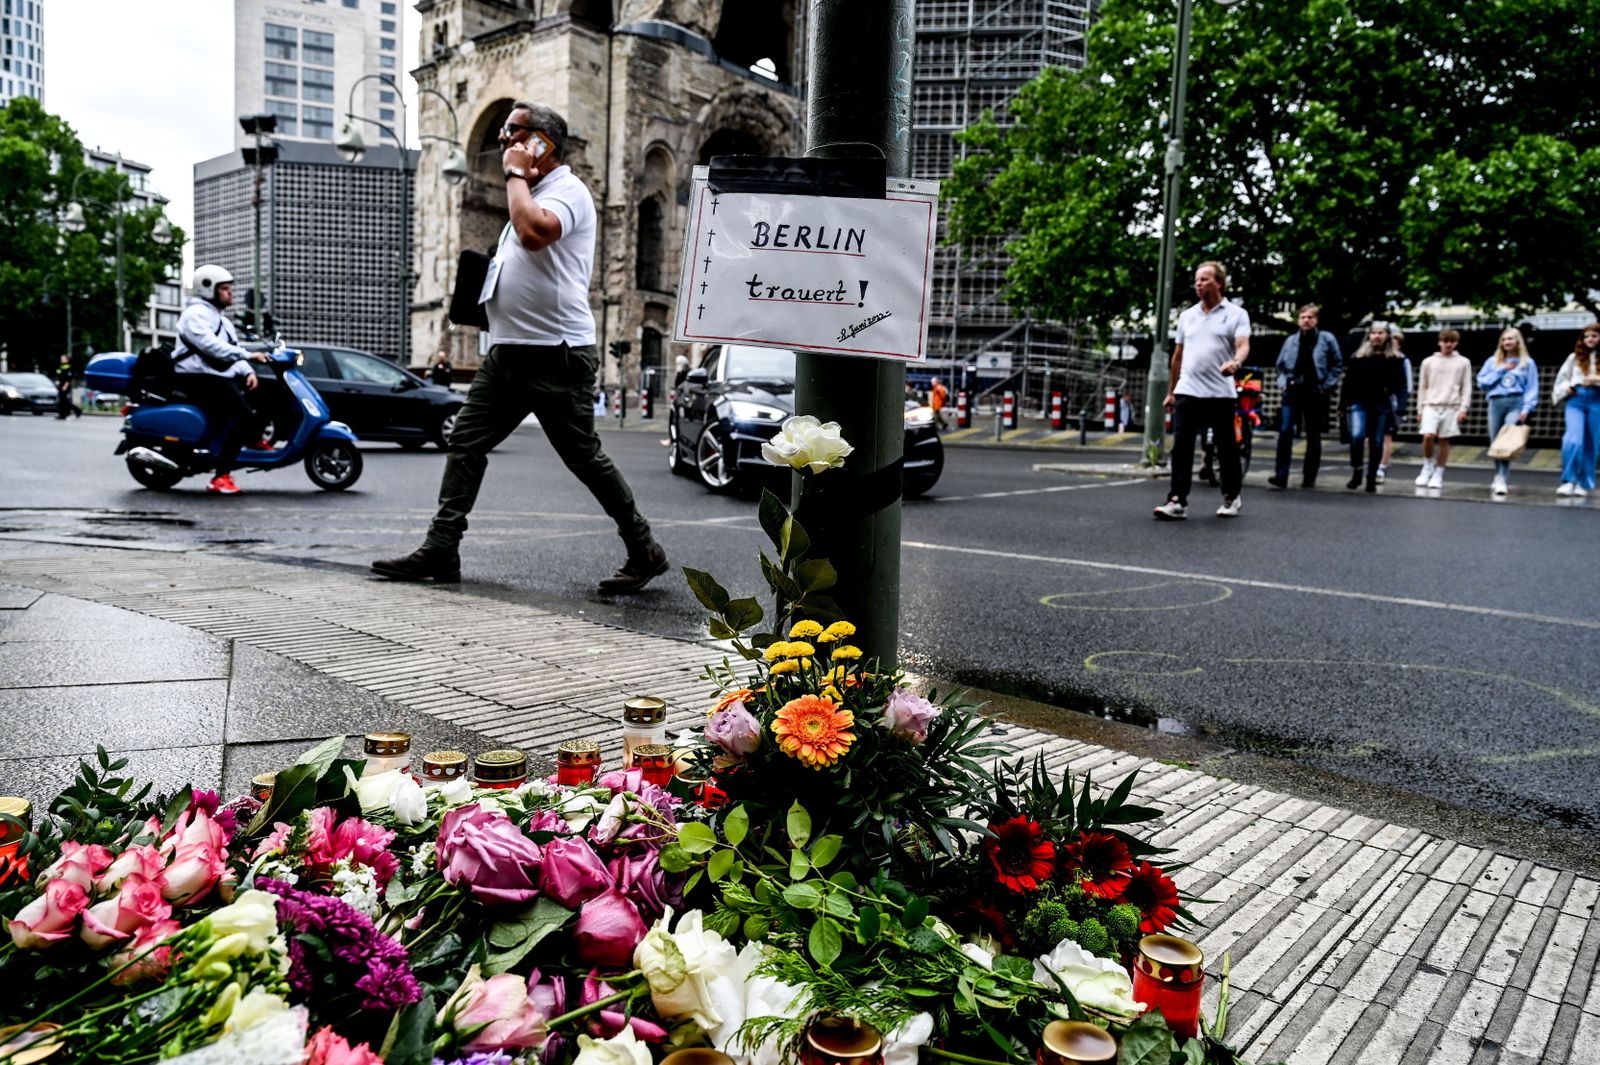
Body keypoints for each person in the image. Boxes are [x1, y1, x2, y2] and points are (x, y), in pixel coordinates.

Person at [372, 103, 666, 592]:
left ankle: (644, 549)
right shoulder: (527, 193)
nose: (504, 139)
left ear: (541, 143)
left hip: (557, 353)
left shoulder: (567, 191)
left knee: (584, 458)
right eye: (505, 133)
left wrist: (514, 176)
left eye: (514, 132)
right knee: (465, 441)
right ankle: (441, 550)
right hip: (508, 352)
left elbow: (535, 235)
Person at [1153, 261, 1251, 520]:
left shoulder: (1236, 314)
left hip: (1220, 392)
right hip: (1189, 389)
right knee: (1182, 446)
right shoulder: (1188, 316)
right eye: (1197, 280)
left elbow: (1242, 345)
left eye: (1205, 279)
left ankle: (1231, 496)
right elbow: (1178, 356)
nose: (1199, 284)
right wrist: (1172, 391)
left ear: (1219, 283)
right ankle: (1177, 500)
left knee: (1226, 447)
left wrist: (1236, 362)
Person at [172, 265, 271, 495]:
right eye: (225, 289)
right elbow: (211, 346)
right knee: (243, 417)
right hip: (195, 378)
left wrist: (248, 371)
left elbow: (231, 349)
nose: (230, 294)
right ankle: (221, 476)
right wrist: (248, 356)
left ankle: (254, 439)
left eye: (230, 289)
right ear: (208, 290)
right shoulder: (195, 314)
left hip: (215, 376)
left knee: (269, 393)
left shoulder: (222, 320)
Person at [1268, 303, 1342, 489]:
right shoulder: (1291, 340)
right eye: (1303, 317)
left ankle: (1309, 477)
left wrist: (1327, 385)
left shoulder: (1327, 339)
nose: (1306, 320)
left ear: (1316, 320)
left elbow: (1337, 364)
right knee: (1285, 431)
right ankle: (1281, 475)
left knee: (1313, 435)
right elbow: (1280, 367)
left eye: (1310, 317)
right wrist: (1283, 383)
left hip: (1315, 391)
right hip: (1293, 390)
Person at [1338, 322, 1408, 492]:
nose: (1377, 336)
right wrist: (1342, 404)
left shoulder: (1395, 359)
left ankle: (1371, 476)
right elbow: (1348, 382)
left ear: (1387, 336)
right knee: (1357, 436)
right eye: (1374, 333)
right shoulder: (1358, 357)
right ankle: (1357, 470)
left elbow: (1401, 385)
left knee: (1377, 442)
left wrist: (1402, 405)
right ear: (1369, 336)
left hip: (1381, 404)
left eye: (1381, 333)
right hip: (1359, 402)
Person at [1476, 327, 1539, 497]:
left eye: (1510, 339)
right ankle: (1498, 474)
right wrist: (1501, 369)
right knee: (1496, 441)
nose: (1507, 342)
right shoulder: (1492, 361)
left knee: (1507, 441)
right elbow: (1482, 382)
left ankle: (1502, 477)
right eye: (1504, 339)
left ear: (1518, 341)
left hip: (1516, 402)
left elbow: (1532, 387)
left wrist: (1527, 408)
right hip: (1496, 402)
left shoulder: (1527, 363)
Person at [1412, 329, 1473, 490]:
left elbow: (1466, 387)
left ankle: (1439, 473)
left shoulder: (1463, 362)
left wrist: (1463, 408)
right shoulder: (1429, 362)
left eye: (1452, 341)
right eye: (1445, 341)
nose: (1448, 344)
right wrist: (1420, 409)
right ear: (1440, 342)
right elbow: (1422, 387)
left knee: (1445, 440)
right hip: (1431, 404)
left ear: (1456, 343)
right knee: (1428, 436)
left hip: (1451, 405)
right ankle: (1427, 465)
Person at [1552, 322, 1600, 497]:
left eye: (1594, 336)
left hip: (1597, 400)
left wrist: (1595, 379)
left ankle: (1583, 482)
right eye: (1586, 336)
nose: (1590, 339)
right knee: (1573, 440)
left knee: (1591, 442)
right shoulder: (1574, 358)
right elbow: (1562, 379)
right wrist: (1568, 388)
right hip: (1576, 400)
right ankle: (1568, 480)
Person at [1376, 328, 1412, 483]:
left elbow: (1407, 385)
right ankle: (1375, 463)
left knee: (1386, 436)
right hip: (1377, 401)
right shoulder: (1381, 358)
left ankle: (1382, 466)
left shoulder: (1402, 360)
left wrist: (1401, 405)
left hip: (1393, 403)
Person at [54, 354, 81, 419]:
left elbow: (69, 378)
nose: (61, 359)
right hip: (60, 385)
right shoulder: (60, 367)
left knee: (63, 400)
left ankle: (73, 411)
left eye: (63, 358)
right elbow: (57, 376)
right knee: (62, 401)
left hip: (65, 386)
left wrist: (65, 385)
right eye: (61, 358)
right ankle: (67, 413)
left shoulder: (69, 367)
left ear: (67, 359)